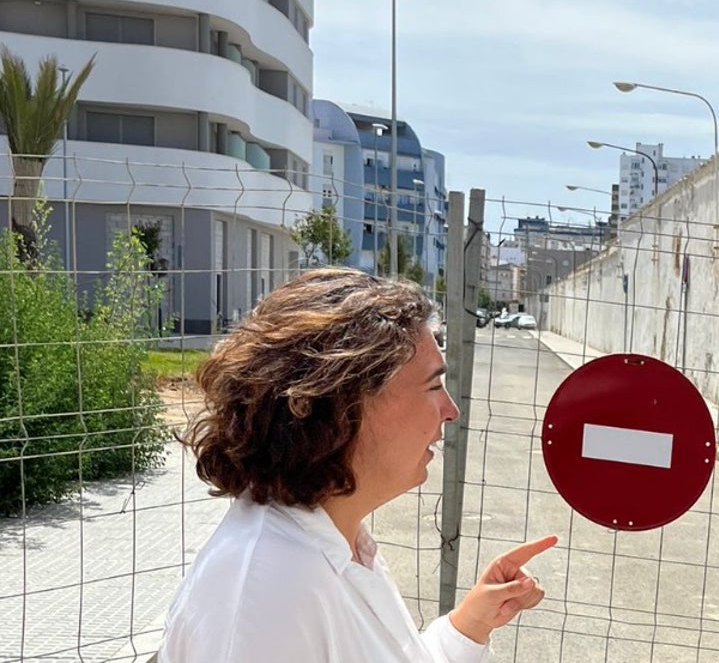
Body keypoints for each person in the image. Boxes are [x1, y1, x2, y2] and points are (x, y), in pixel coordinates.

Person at [160, 267, 556, 663]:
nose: (450, 411)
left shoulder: (336, 543)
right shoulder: (266, 595)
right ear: (343, 405)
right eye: (433, 385)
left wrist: (469, 627)